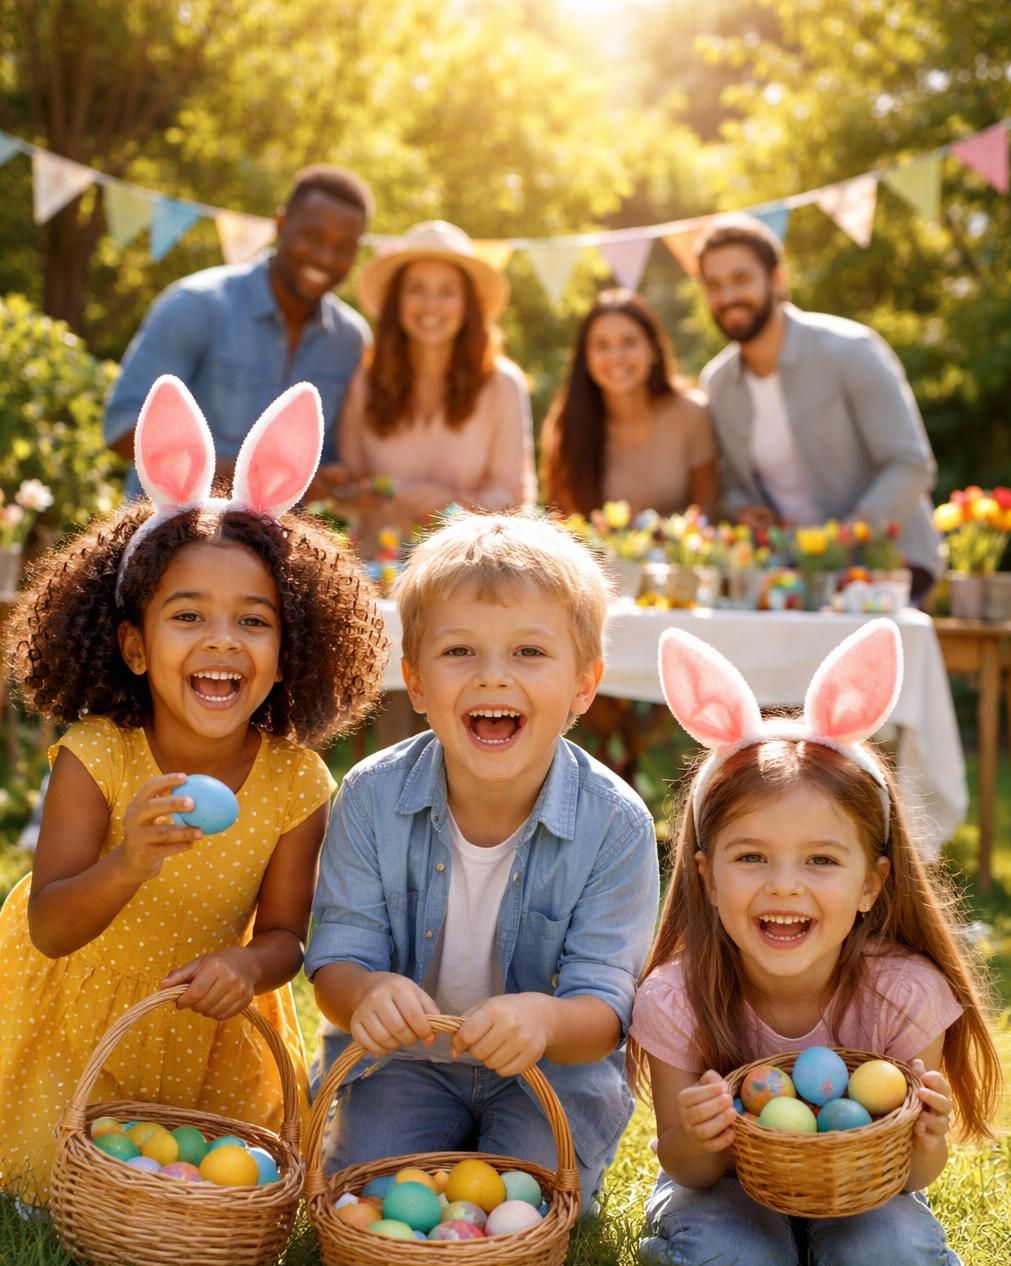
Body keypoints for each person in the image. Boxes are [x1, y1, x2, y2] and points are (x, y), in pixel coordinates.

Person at [0, 377, 387, 1206]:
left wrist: (247, 965)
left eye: (254, 621)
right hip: (80, 1019)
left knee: (192, 1186)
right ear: (136, 648)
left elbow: (287, 934)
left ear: (289, 654)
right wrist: (128, 861)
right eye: (189, 617)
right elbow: (50, 925)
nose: (223, 640)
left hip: (201, 1032)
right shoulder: (98, 755)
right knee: (59, 1187)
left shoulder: (295, 782)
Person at [628, 620, 1001, 1266]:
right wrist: (705, 1137)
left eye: (821, 860)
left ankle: (825, 1253)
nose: (784, 886)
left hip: (865, 1189)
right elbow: (681, 1162)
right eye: (751, 858)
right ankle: (773, 1253)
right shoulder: (678, 995)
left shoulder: (904, 994)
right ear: (707, 880)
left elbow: (917, 1175)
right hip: (727, 1191)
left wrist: (925, 1136)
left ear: (872, 884)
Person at [305, 510, 660, 1209]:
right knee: (372, 1198)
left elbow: (608, 1008)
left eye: (530, 653)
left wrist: (548, 1020)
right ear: (414, 680)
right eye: (459, 651)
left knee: (522, 1203)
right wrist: (367, 994)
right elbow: (335, 960)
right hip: (402, 1065)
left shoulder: (616, 825)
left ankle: (516, 1155)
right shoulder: (372, 797)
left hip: (552, 1072)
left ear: (583, 686)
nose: (493, 677)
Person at [694, 216, 942, 599]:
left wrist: (844, 538)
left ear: (777, 280)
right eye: (714, 285)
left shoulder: (851, 350)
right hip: (787, 572)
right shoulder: (718, 382)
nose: (727, 296)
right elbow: (731, 482)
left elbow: (911, 465)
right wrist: (743, 509)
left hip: (887, 566)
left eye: (741, 279)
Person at [104, 164, 373, 502]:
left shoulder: (350, 340)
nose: (325, 256)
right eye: (313, 236)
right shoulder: (196, 305)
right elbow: (122, 429)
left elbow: (331, 454)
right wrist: (248, 482)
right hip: (171, 541)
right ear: (281, 224)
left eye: (344, 246)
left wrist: (335, 479)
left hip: (274, 548)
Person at [337, 219, 536, 550]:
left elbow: (516, 500)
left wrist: (452, 504)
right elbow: (348, 487)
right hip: (380, 566)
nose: (431, 305)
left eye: (447, 291)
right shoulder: (364, 383)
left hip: (470, 567)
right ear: (396, 301)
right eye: (416, 289)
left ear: (468, 305)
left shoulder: (502, 385)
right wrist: (367, 494)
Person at [541, 288, 717, 519]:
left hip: (678, 554)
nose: (616, 357)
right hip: (594, 555)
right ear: (586, 358)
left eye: (629, 342)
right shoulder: (566, 424)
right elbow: (561, 520)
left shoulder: (691, 414)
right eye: (602, 346)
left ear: (654, 350)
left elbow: (708, 508)